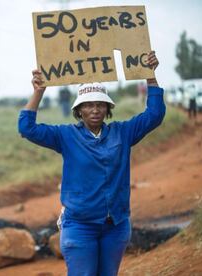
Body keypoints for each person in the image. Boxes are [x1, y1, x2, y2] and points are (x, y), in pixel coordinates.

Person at [18, 51, 164, 276]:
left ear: (107, 109)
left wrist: (150, 75)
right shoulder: (65, 136)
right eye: (88, 105)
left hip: (115, 225)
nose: (95, 110)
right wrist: (39, 91)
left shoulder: (122, 133)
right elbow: (27, 128)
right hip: (79, 226)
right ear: (78, 110)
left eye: (100, 105)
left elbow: (154, 114)